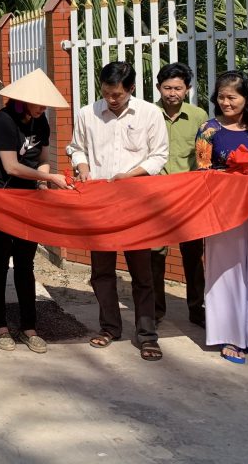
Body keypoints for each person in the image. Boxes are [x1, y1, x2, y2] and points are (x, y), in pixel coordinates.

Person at [66, 61, 168, 362]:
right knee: (101, 271)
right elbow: (77, 147)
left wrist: (131, 175)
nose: (112, 99)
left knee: (142, 272)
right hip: (100, 204)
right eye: (107, 93)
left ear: (131, 90)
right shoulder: (88, 113)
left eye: (118, 95)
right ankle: (110, 327)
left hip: (137, 202)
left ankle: (147, 335)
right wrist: (82, 167)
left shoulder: (149, 113)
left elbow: (159, 154)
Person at [0, 69, 72, 354]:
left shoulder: (40, 121)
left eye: (45, 104)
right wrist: (50, 178)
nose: (42, 108)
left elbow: (42, 158)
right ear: (21, 100)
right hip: (0, 200)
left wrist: (44, 178)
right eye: (38, 103)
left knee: (25, 263)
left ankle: (29, 326)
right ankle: (0, 326)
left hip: (28, 201)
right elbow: (11, 167)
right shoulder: (3, 122)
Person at [195, 71, 248, 366]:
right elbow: (203, 171)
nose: (226, 102)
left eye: (232, 97)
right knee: (226, 272)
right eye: (221, 97)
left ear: (247, 98)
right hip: (222, 211)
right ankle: (231, 337)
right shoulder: (209, 130)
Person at [152, 62, 207, 327]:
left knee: (193, 254)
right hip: (155, 197)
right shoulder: (148, 115)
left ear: (187, 90)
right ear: (158, 88)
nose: (172, 93)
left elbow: (203, 155)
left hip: (188, 197)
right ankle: (155, 310)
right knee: (155, 254)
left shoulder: (199, 116)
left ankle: (197, 309)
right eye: (167, 87)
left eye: (178, 88)